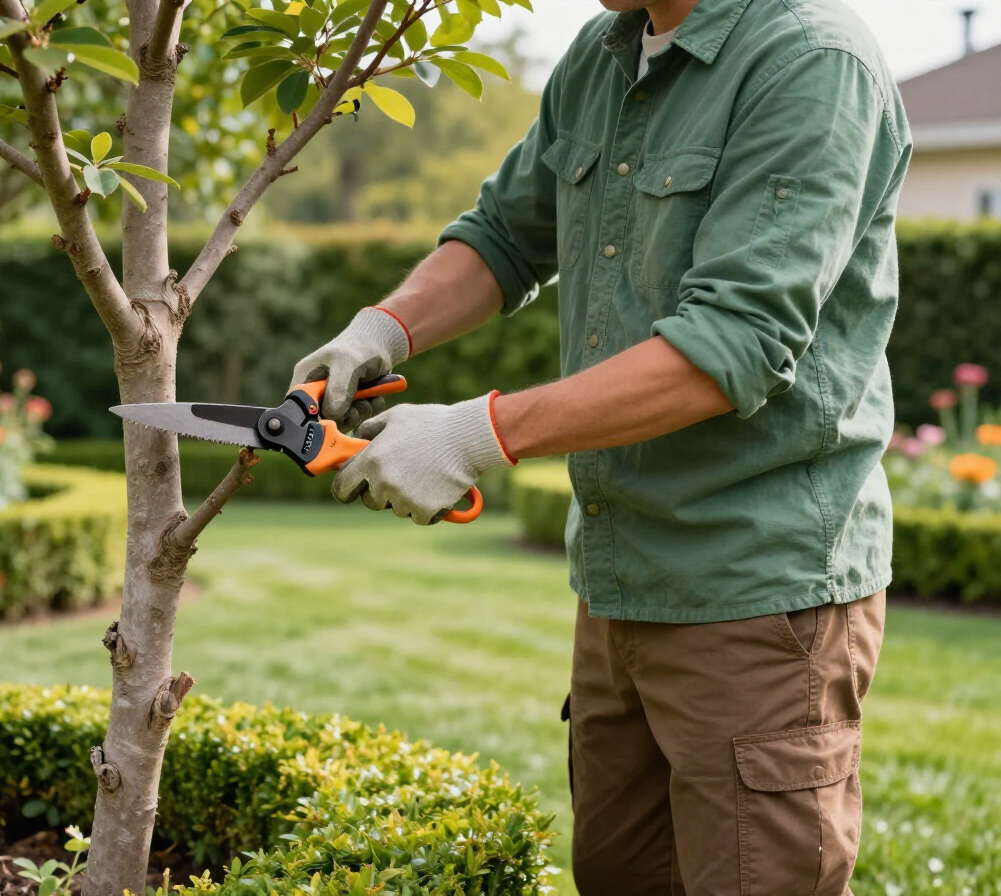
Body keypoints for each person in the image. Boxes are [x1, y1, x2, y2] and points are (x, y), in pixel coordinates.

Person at [290, 0, 911, 891]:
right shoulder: (604, 53)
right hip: (620, 582)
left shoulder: (811, 61)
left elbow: (732, 345)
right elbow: (506, 236)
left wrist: (478, 433)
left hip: (758, 598)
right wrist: (380, 330)